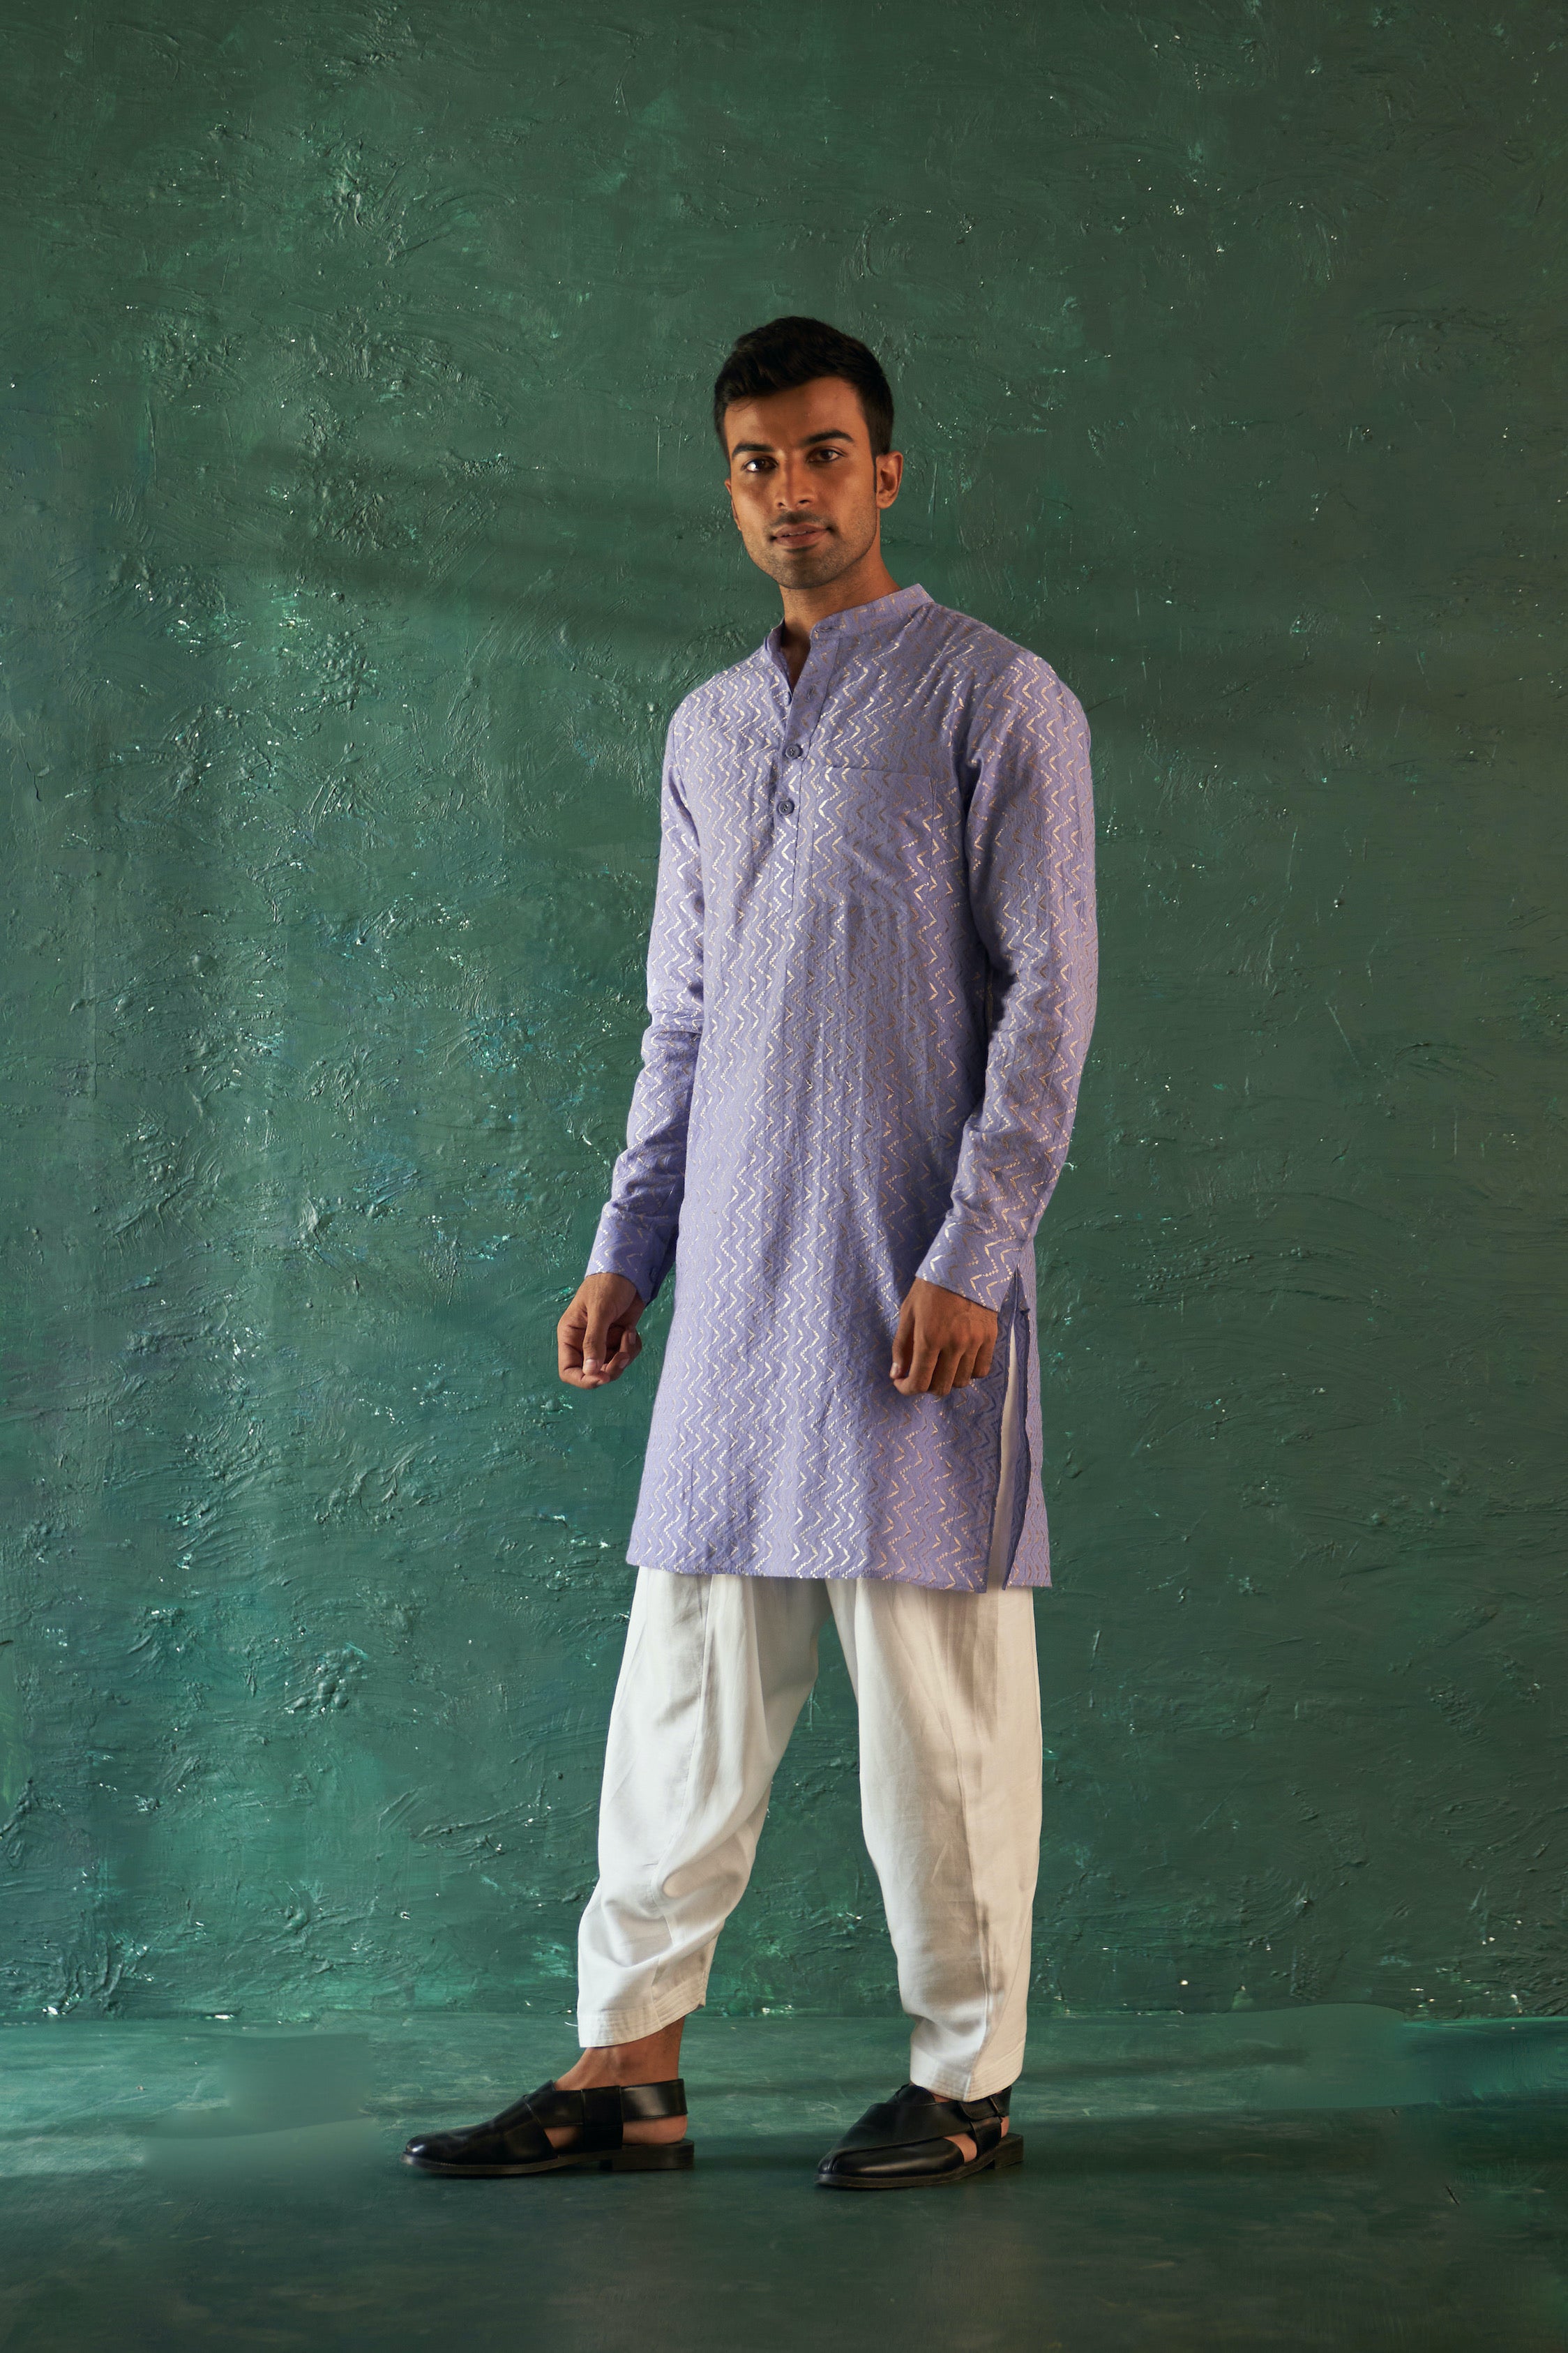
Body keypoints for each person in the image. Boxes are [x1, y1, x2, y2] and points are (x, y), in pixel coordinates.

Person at [405, 315, 1097, 2190]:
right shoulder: (708, 730)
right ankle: (628, 2068)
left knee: (939, 1715)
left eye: (822, 454)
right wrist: (628, 1243)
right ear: (732, 491)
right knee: (683, 1691)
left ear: (887, 471)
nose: (791, 491)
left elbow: (1049, 998)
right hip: (732, 1296)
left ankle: (967, 2085)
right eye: (756, 464)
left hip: (909, 1289)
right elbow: (683, 1017)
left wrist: (976, 1249)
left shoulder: (993, 696)